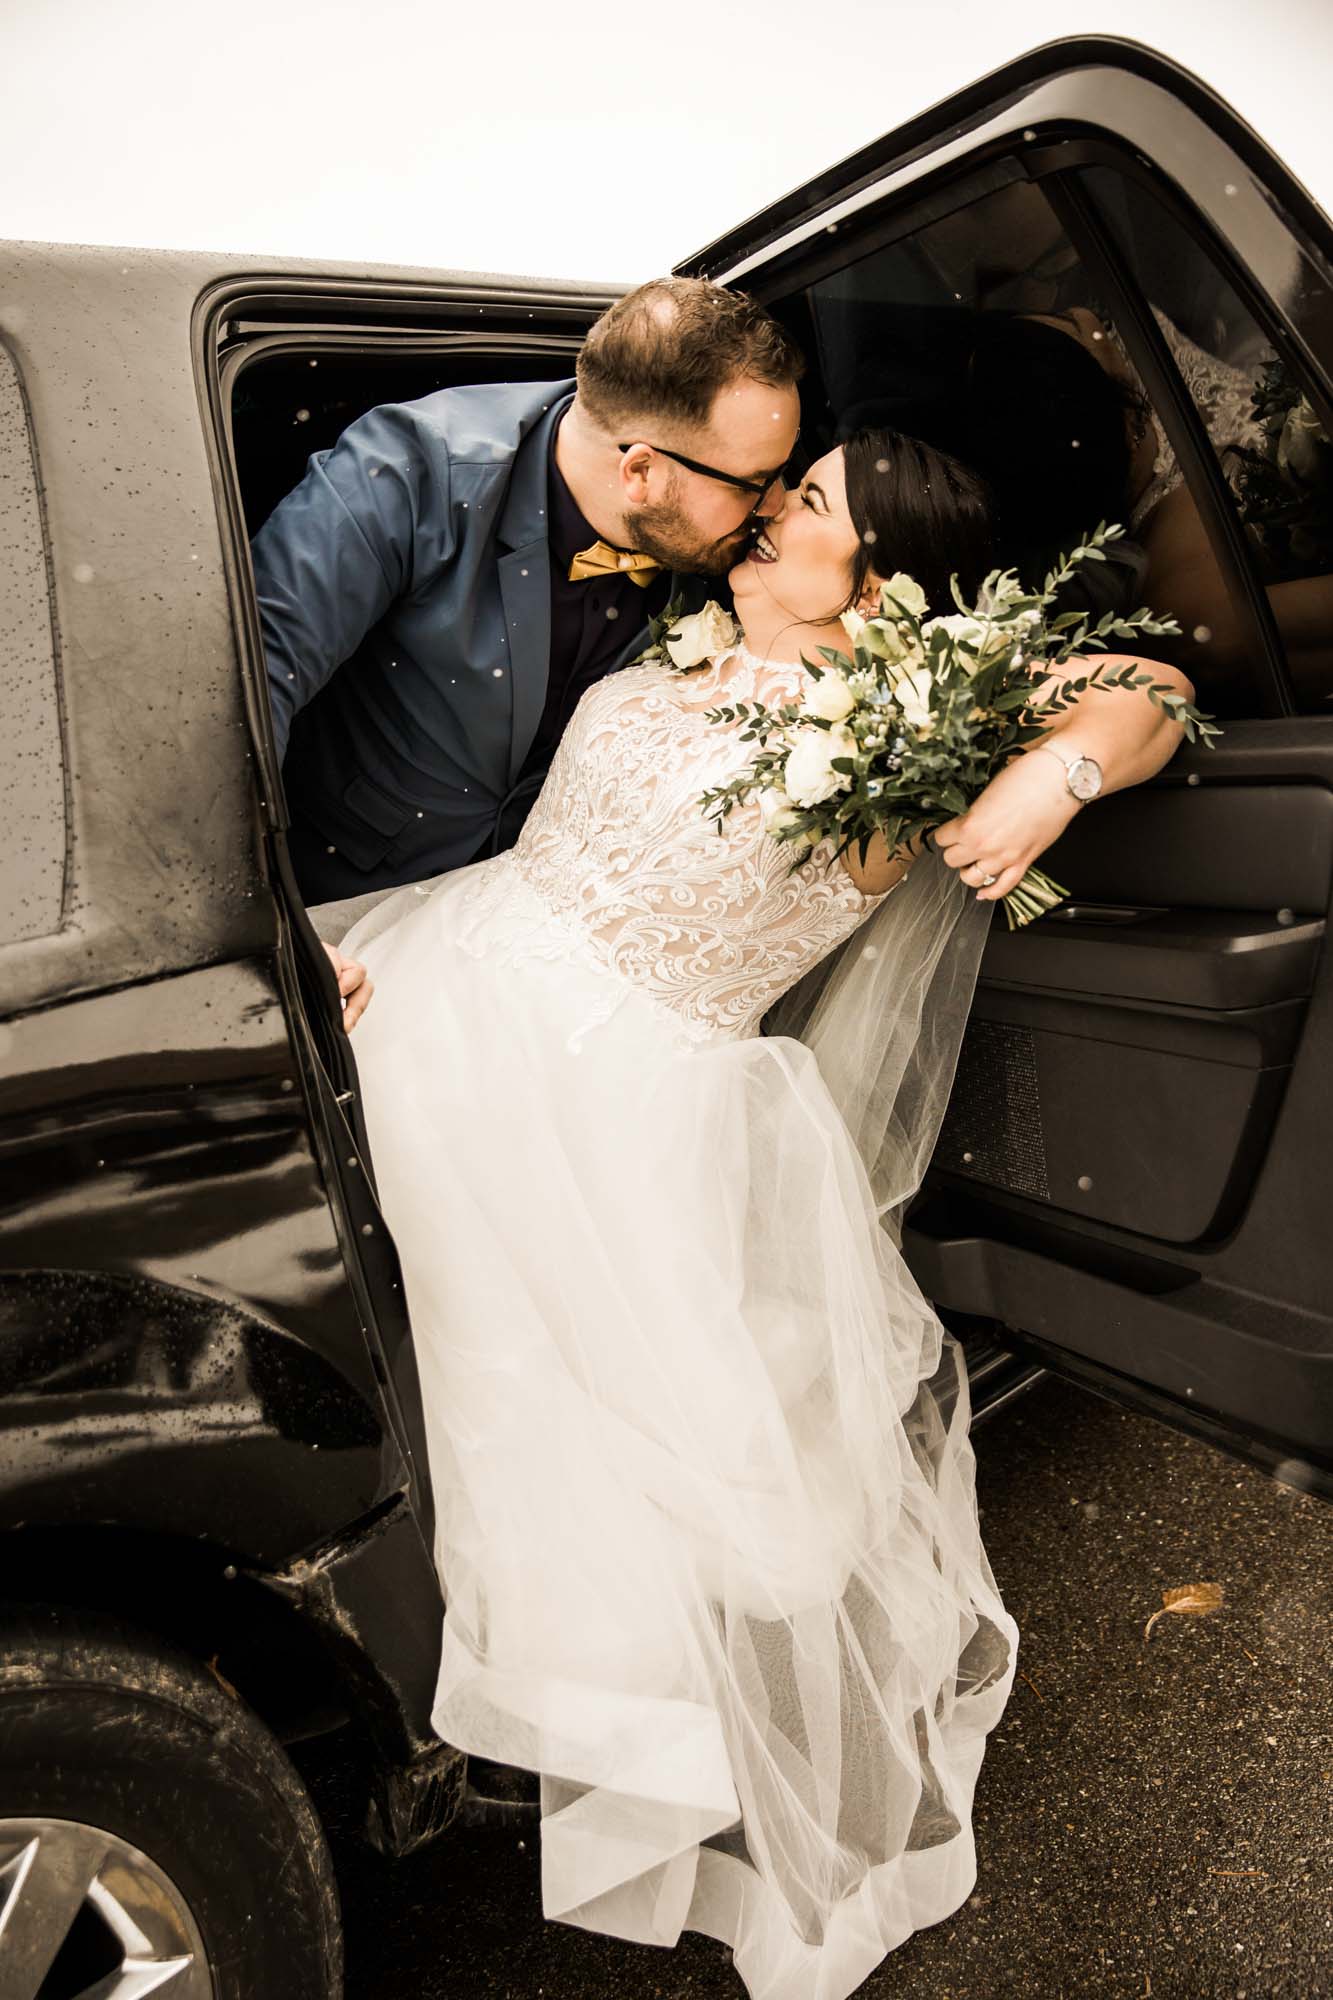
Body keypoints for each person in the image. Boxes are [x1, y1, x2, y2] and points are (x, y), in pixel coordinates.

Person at [333, 424, 1194, 1999]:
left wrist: (1041, 786)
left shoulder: (911, 724)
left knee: (546, 1427)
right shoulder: (682, 631)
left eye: (809, 502)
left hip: (613, 1090)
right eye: (787, 486)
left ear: (880, 580)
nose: (774, 505)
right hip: (444, 959)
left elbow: (1156, 690)